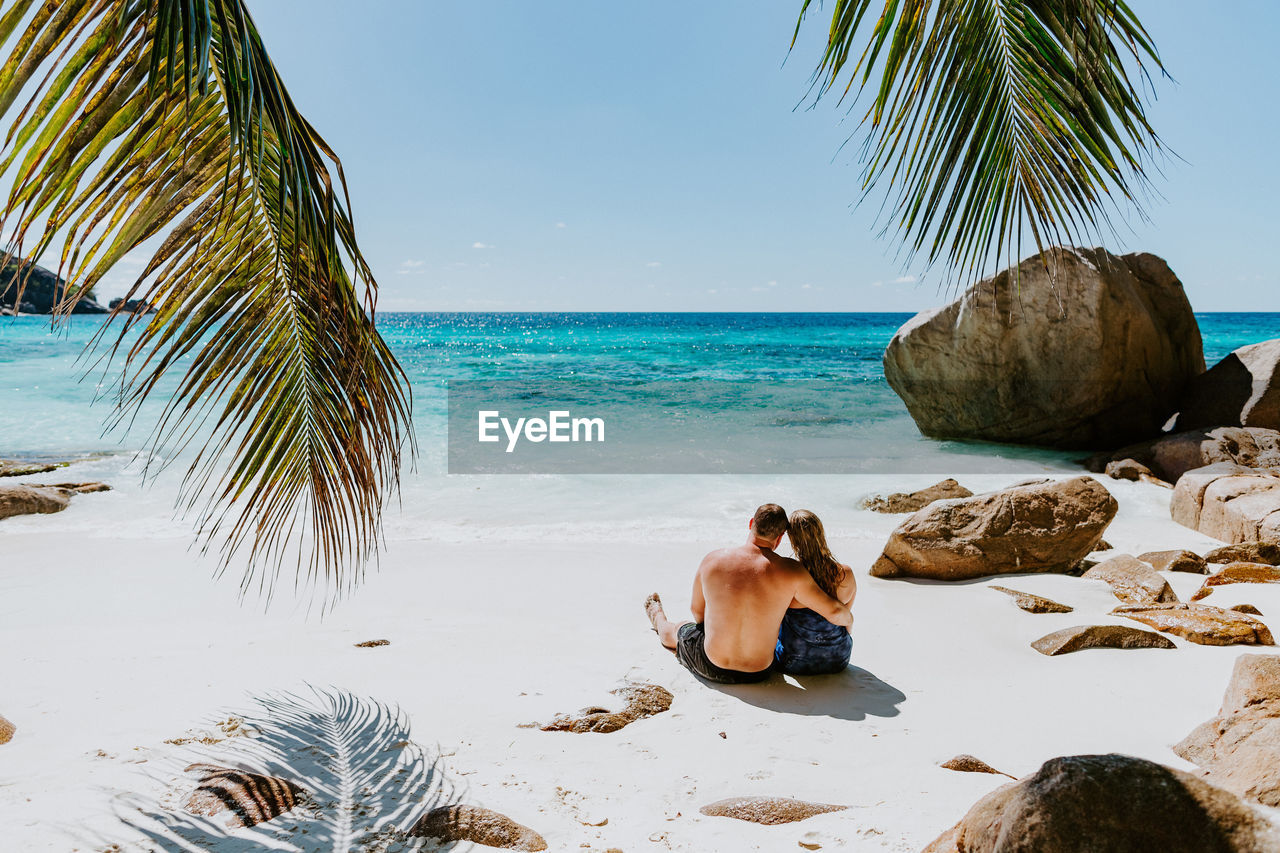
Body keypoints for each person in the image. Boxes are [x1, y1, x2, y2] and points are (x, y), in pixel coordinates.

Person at [644, 503, 852, 684]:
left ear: (751, 523)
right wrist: (849, 618)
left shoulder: (713, 560)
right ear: (779, 539)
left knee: (680, 629)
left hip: (713, 665)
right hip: (759, 672)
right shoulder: (792, 571)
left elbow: (697, 613)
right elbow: (834, 612)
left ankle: (657, 616)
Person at [774, 509, 856, 675]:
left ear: (793, 540)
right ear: (821, 532)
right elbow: (846, 621)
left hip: (795, 661)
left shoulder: (790, 576)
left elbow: (773, 622)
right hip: (839, 659)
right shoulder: (845, 574)